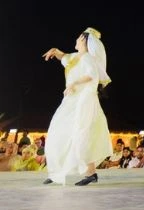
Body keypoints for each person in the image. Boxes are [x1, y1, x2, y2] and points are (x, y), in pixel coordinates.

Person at [42, 27, 113, 186]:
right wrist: (55, 51)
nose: (76, 39)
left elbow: (92, 76)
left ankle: (90, 173)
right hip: (72, 101)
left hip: (84, 100)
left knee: (82, 135)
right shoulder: (75, 57)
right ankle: (57, 173)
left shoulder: (88, 58)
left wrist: (74, 83)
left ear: (84, 41)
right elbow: (64, 57)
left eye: (79, 37)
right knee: (58, 132)